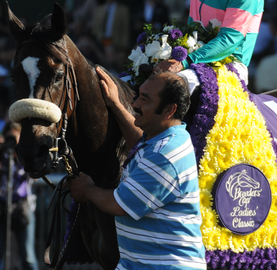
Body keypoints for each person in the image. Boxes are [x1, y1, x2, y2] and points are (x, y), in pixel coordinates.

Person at [69, 70, 206, 269]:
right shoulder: (163, 138)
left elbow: (120, 205)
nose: (135, 104)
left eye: (145, 99)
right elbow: (137, 143)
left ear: (169, 110)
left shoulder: (165, 153)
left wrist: (87, 190)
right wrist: (115, 104)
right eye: (138, 96)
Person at [0, 122, 38, 270]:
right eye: (10, 137)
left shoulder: (25, 154)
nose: (12, 141)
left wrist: (24, 151)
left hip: (22, 206)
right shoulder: (0, 153)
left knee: (28, 257)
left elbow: (36, 175)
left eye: (16, 137)